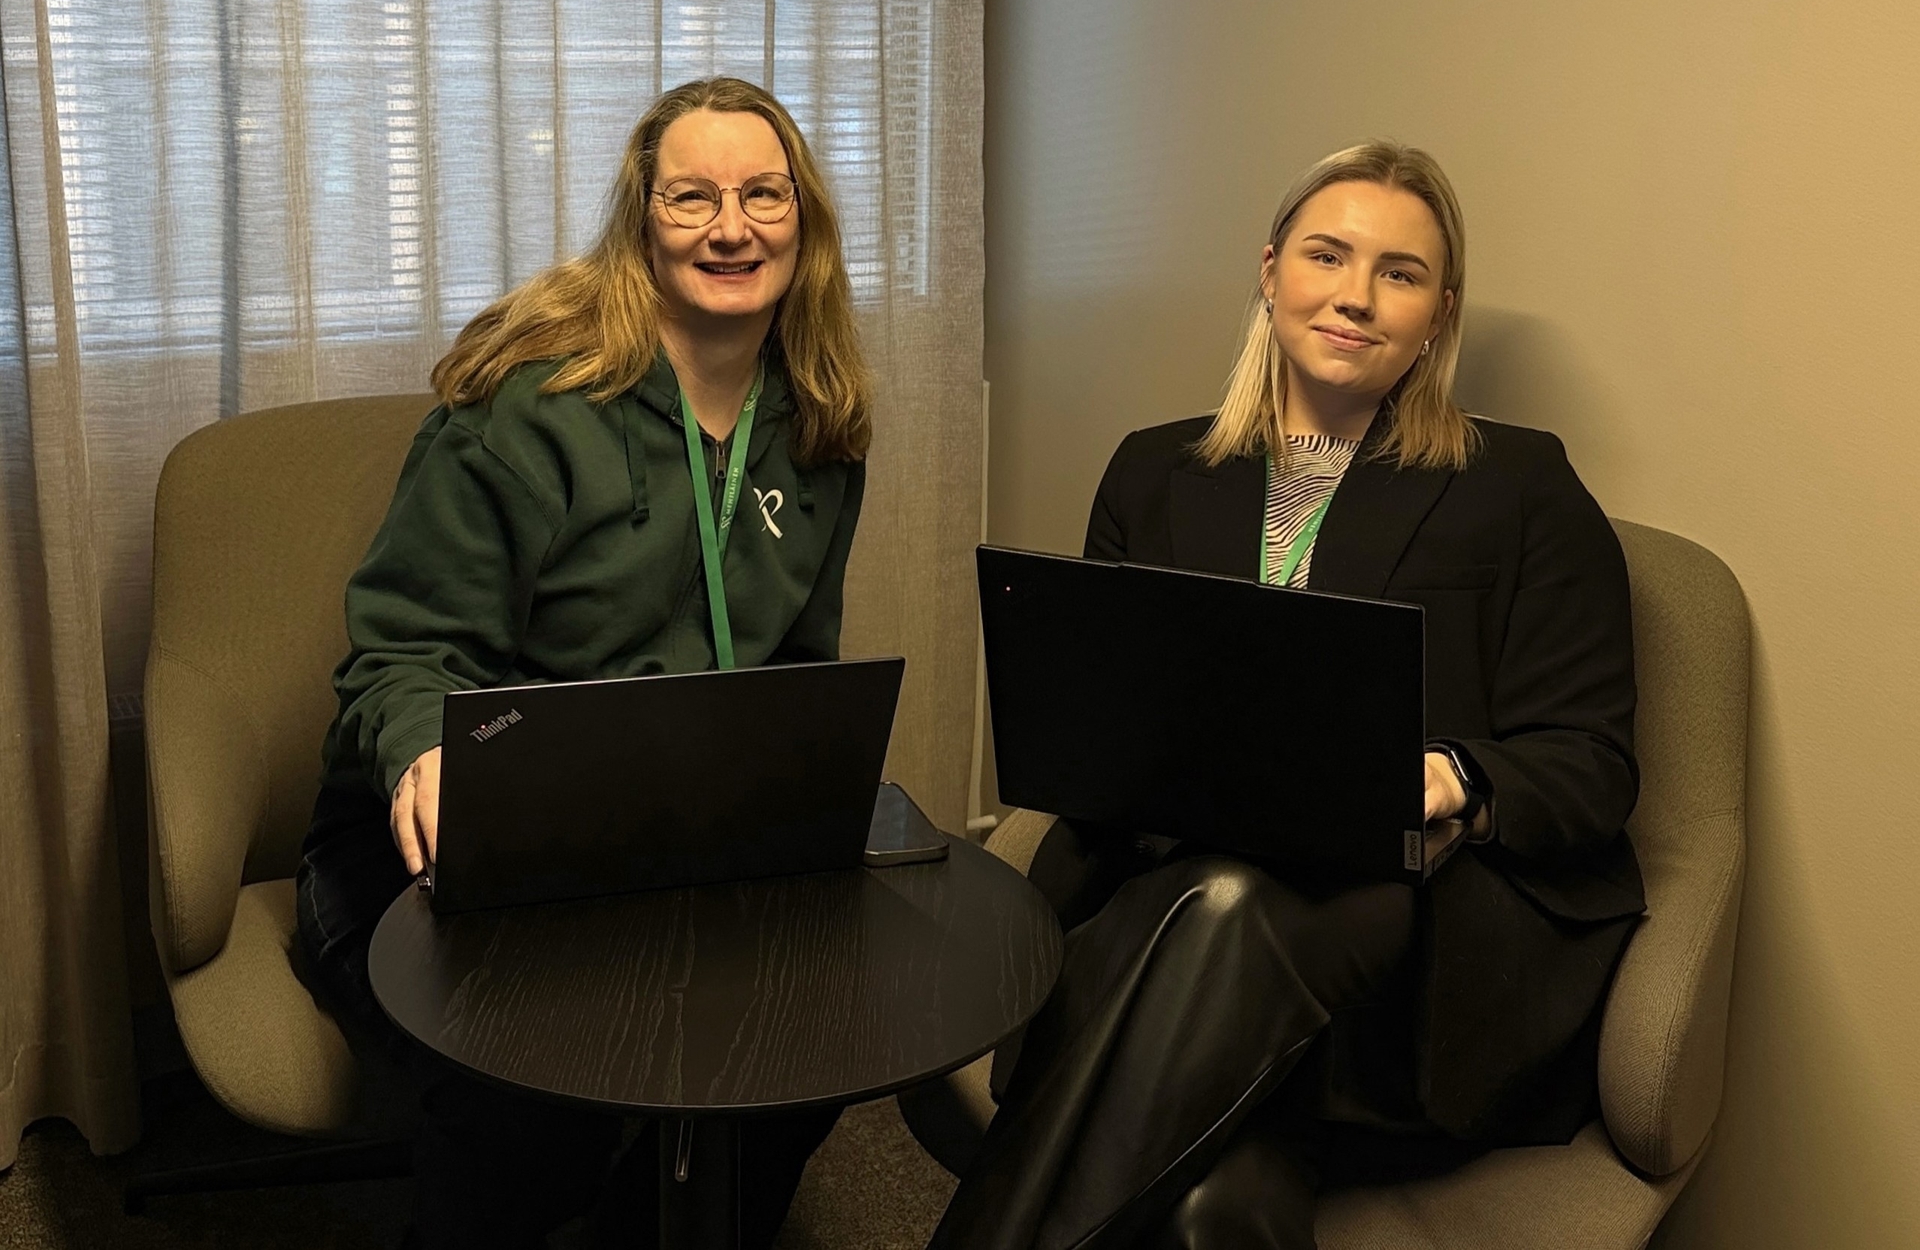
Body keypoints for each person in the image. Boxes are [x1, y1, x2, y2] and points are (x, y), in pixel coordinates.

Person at [932, 142, 1642, 1249]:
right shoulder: (1155, 471)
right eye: (1327, 256)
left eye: (1400, 274)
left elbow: (1593, 762)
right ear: (1271, 273)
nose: (1357, 296)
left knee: (1231, 901)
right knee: (1215, 1211)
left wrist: (1450, 777)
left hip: (1409, 943)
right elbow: (1100, 732)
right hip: (1173, 899)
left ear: (1439, 315)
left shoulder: (1519, 485)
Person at [294, 76, 874, 1250]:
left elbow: (798, 676)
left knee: (808, 1055)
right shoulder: (529, 406)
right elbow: (403, 650)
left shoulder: (818, 425)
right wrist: (425, 755)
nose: (730, 227)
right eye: (691, 197)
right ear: (640, 219)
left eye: (763, 195)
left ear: (803, 220)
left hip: (663, 838)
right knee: (530, 1110)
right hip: (444, 837)